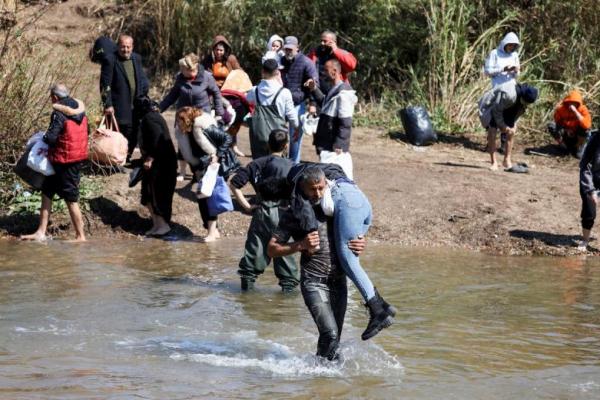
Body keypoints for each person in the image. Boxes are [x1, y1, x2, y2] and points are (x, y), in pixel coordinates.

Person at [267, 167, 368, 361]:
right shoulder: (295, 213)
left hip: (339, 281)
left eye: (321, 188)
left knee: (334, 337)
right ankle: (323, 378)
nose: (317, 194)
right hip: (313, 282)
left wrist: (361, 242)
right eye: (312, 190)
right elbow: (271, 249)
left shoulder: (338, 209)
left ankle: (321, 376)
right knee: (329, 333)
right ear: (302, 188)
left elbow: (357, 232)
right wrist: (300, 245)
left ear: (327, 184)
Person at [230, 129, 299, 292]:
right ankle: (285, 306)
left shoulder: (258, 163)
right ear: (286, 146)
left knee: (251, 261)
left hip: (262, 212)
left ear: (268, 145)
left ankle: (246, 295)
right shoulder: (293, 167)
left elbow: (234, 184)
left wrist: (247, 206)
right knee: (286, 265)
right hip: (284, 214)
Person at [21, 84, 88, 242]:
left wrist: (42, 138)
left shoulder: (59, 113)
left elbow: (51, 138)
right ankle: (41, 232)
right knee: (47, 191)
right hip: (72, 158)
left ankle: (81, 236)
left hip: (65, 160)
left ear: (55, 97)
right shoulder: (81, 110)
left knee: (71, 198)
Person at [160, 53, 231, 181]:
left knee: (200, 145)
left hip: (201, 116)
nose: (188, 72)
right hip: (184, 117)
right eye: (185, 70)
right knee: (183, 144)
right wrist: (160, 108)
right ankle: (182, 172)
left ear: (195, 67)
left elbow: (216, 93)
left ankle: (200, 172)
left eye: (191, 70)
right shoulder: (180, 78)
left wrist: (220, 113)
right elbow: (172, 96)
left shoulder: (207, 77)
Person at [175, 106, 238, 241]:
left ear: (187, 120)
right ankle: (213, 231)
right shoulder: (185, 132)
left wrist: (217, 155)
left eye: (179, 120)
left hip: (214, 165)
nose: (177, 123)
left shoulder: (202, 126)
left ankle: (211, 233)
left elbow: (227, 138)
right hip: (201, 167)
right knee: (202, 198)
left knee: (207, 198)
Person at [100, 34, 149, 162]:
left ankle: (126, 156)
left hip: (136, 103)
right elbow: (105, 85)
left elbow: (141, 77)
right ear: (118, 46)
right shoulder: (110, 60)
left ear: (132, 47)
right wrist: (108, 104)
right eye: (123, 47)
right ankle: (117, 159)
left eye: (128, 47)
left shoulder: (136, 58)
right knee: (122, 131)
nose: (125, 50)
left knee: (135, 131)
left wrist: (144, 91)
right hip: (119, 105)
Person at [135, 96, 177, 236]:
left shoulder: (150, 119)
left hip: (161, 164)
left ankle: (163, 226)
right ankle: (157, 225)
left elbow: (157, 139)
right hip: (160, 162)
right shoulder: (152, 116)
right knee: (148, 195)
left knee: (156, 194)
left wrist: (150, 158)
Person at [246, 58, 299, 159]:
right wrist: (296, 128)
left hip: (258, 138)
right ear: (277, 72)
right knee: (278, 169)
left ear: (263, 72)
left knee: (259, 168)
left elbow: (247, 103)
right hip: (278, 140)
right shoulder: (284, 92)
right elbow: (292, 117)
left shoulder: (254, 91)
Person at [479, 81, 537, 170]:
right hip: (493, 106)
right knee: (492, 130)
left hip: (507, 107)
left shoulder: (524, 99)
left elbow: (519, 112)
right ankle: (494, 162)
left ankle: (507, 160)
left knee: (511, 132)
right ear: (523, 97)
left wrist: (512, 126)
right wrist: (503, 126)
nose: (527, 105)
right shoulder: (510, 95)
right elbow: (496, 111)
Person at [280, 36, 319, 163]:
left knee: (295, 137)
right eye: (286, 49)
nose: (288, 52)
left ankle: (294, 164)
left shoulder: (306, 62)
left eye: (291, 49)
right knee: (278, 134)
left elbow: (315, 83)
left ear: (297, 48)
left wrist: (312, 103)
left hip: (298, 104)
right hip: (280, 104)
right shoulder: (280, 61)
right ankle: (282, 162)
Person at [309, 59, 357, 157]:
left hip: (333, 146)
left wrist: (340, 144)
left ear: (334, 72)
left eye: (326, 71)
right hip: (326, 141)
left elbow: (345, 122)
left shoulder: (344, 94)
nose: (323, 74)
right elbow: (325, 104)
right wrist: (314, 89)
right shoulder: (333, 89)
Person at [308, 30, 357, 95]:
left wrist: (336, 51)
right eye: (321, 41)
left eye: (325, 41)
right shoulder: (315, 54)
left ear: (334, 42)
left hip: (339, 92)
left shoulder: (341, 53)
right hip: (320, 94)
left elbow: (351, 66)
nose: (322, 43)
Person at [548, 90, 592, 159]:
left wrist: (575, 112)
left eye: (575, 103)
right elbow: (558, 123)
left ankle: (578, 148)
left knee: (585, 130)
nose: (572, 104)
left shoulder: (583, 110)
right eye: (570, 102)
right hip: (567, 134)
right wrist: (567, 130)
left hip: (578, 137)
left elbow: (587, 126)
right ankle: (564, 146)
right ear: (567, 102)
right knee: (551, 125)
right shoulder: (561, 109)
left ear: (578, 103)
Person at [578, 129, 600, 251]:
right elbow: (585, 166)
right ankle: (585, 240)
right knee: (589, 211)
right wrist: (591, 190)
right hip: (590, 178)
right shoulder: (595, 139)